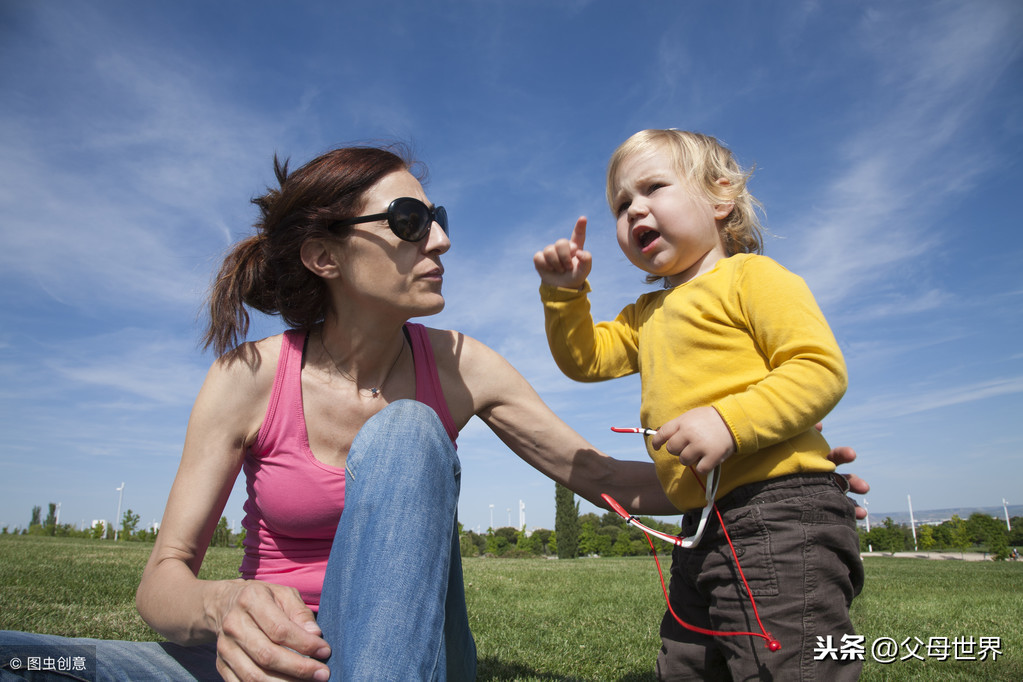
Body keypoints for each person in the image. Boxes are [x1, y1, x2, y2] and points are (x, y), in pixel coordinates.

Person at [0, 143, 868, 682]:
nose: (442, 240)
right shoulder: (248, 376)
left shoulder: (459, 367)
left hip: (402, 660)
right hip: (252, 661)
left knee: (407, 431)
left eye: (437, 218)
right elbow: (163, 581)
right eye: (410, 221)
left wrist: (764, 476)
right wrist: (229, 610)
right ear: (324, 255)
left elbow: (596, 476)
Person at [533, 129, 864, 680]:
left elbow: (818, 369)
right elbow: (585, 360)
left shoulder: (752, 277)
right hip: (703, 523)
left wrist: (729, 422)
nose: (635, 208)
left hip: (780, 511)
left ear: (721, 197)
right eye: (621, 204)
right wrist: (565, 296)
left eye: (654, 187)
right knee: (687, 663)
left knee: (786, 661)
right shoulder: (646, 314)